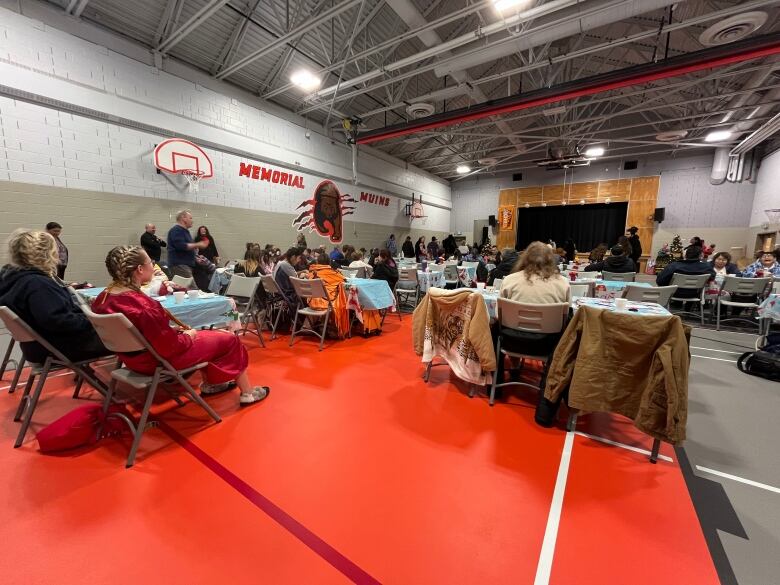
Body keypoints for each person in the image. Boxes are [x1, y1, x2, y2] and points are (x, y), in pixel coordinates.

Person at [92, 246, 269, 406]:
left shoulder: (102, 298)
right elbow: (170, 347)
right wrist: (188, 335)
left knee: (211, 338)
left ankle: (213, 383)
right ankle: (248, 393)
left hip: (132, 361)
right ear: (139, 269)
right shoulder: (144, 306)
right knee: (229, 338)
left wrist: (174, 333)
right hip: (159, 361)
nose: (153, 265)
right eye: (150, 262)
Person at [0, 229, 108, 364]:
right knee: (130, 337)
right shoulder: (37, 284)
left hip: (37, 347)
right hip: (61, 348)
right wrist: (93, 319)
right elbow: (59, 321)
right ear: (46, 254)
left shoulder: (11, 279)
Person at [500, 242, 571, 304]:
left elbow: (499, 313)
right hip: (552, 319)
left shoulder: (509, 280)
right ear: (551, 260)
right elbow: (566, 313)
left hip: (513, 319)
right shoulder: (563, 283)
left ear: (525, 259)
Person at [307, 253, 350, 338]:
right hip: (327, 304)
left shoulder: (312, 273)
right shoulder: (333, 273)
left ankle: (321, 326)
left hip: (312, 303)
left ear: (318, 262)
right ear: (329, 262)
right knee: (340, 298)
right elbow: (344, 280)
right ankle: (334, 328)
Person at [166, 210, 207, 278]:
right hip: (180, 266)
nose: (192, 220)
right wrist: (198, 244)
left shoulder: (185, 232)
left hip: (184, 266)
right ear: (184, 218)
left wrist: (196, 259)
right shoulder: (176, 230)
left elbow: (186, 250)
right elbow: (181, 246)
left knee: (187, 288)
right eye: (190, 218)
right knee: (192, 288)